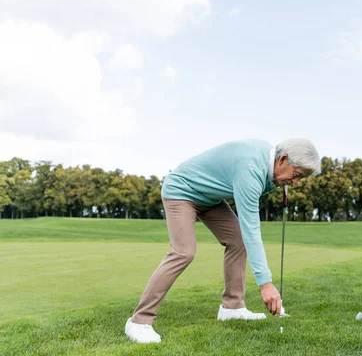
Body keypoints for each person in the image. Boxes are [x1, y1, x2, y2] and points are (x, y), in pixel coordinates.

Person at [124, 138, 321, 344]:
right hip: (181, 191)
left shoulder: (270, 166)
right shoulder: (251, 169)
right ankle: (139, 321)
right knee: (184, 252)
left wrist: (282, 181)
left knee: (238, 241)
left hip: (209, 199)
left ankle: (232, 307)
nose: (296, 182)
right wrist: (266, 284)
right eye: (296, 175)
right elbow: (251, 229)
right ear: (283, 159)